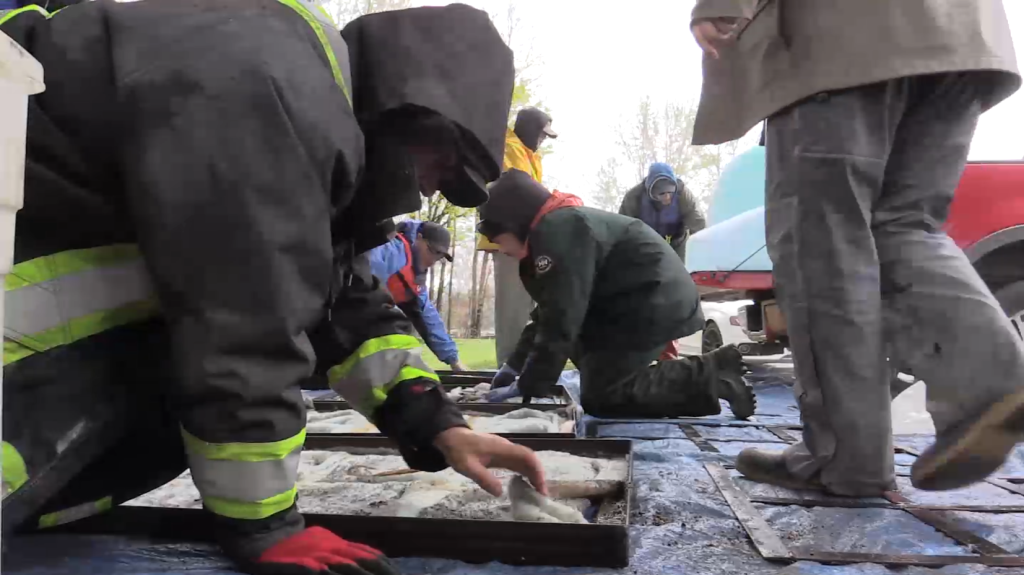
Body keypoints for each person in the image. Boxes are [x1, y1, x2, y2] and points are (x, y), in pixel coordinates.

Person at [0, 3, 546, 575]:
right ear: (421, 117)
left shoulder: (307, 110)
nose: (425, 190)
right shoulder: (266, 89)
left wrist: (440, 425)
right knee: (182, 386)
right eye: (440, 170)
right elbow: (248, 317)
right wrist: (266, 528)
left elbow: (343, 304)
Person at [690, 0, 1023, 496]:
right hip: (964, 35)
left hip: (843, 40)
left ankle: (848, 458)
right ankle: (987, 382)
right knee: (903, 224)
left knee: (822, 247)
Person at [479, 169, 755, 420]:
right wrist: (514, 367)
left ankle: (713, 374)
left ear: (515, 222)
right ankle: (709, 372)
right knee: (596, 376)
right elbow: (549, 312)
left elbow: (561, 319)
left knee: (603, 396)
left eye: (499, 238)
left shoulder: (557, 230)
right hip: (636, 301)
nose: (501, 249)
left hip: (650, 299)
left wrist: (530, 383)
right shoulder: (558, 227)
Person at [492, 107, 559, 366]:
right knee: (512, 309)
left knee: (526, 306)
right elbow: (519, 196)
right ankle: (508, 367)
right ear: (529, 128)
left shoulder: (529, 155)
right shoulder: (511, 149)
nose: (542, 140)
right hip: (511, 240)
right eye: (541, 134)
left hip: (527, 241)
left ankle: (520, 364)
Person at [368, 219, 468, 371]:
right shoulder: (390, 250)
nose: (433, 260)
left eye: (439, 256)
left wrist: (454, 360)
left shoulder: (416, 278)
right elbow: (368, 283)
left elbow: (428, 317)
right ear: (419, 238)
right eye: (433, 251)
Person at [618, 162, 706, 263]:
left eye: (670, 191)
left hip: (677, 240)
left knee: (679, 272)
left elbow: (697, 223)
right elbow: (623, 228)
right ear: (651, 191)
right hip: (646, 243)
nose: (667, 197)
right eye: (661, 193)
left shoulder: (682, 195)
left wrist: (701, 248)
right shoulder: (634, 197)